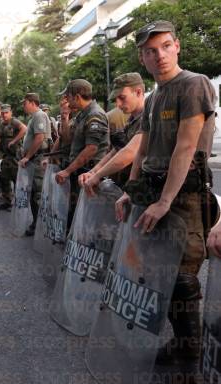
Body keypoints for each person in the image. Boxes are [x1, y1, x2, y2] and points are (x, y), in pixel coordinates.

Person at [114, 20, 217, 364]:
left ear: (178, 46)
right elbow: (144, 149)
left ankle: (191, 354)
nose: (159, 55)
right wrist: (132, 190)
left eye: (165, 46)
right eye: (150, 51)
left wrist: (163, 201)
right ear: (142, 58)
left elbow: (185, 149)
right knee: (159, 277)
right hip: (155, 195)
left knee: (183, 280)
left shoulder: (194, 85)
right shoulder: (155, 98)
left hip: (184, 199)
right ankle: (183, 343)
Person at [79, 73, 146, 194]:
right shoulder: (131, 120)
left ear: (138, 92)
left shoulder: (148, 116)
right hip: (130, 187)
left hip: (145, 188)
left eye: (122, 97)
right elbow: (117, 150)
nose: (118, 104)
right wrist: (92, 172)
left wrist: (97, 175)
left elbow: (130, 153)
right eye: (116, 99)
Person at [55, 79, 109, 225]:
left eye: (68, 97)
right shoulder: (81, 114)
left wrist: (67, 171)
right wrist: (65, 116)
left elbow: (91, 149)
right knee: (75, 213)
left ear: (77, 97)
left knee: (88, 217)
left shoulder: (95, 114)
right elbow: (67, 139)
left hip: (89, 173)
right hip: (78, 172)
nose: (65, 100)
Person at [19, 93, 51, 235]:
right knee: (33, 193)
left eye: (24, 103)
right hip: (34, 159)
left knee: (37, 193)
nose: (23, 106)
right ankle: (37, 223)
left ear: (32, 102)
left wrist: (27, 156)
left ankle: (40, 225)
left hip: (37, 159)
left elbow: (39, 138)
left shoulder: (39, 115)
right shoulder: (34, 117)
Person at [0, 104, 27, 210]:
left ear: (11, 112)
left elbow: (24, 129)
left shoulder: (14, 122)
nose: (4, 115)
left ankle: (20, 202)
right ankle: (7, 201)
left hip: (15, 156)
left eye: (6, 113)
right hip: (6, 156)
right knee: (4, 178)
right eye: (3, 113)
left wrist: (14, 140)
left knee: (16, 179)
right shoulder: (1, 124)